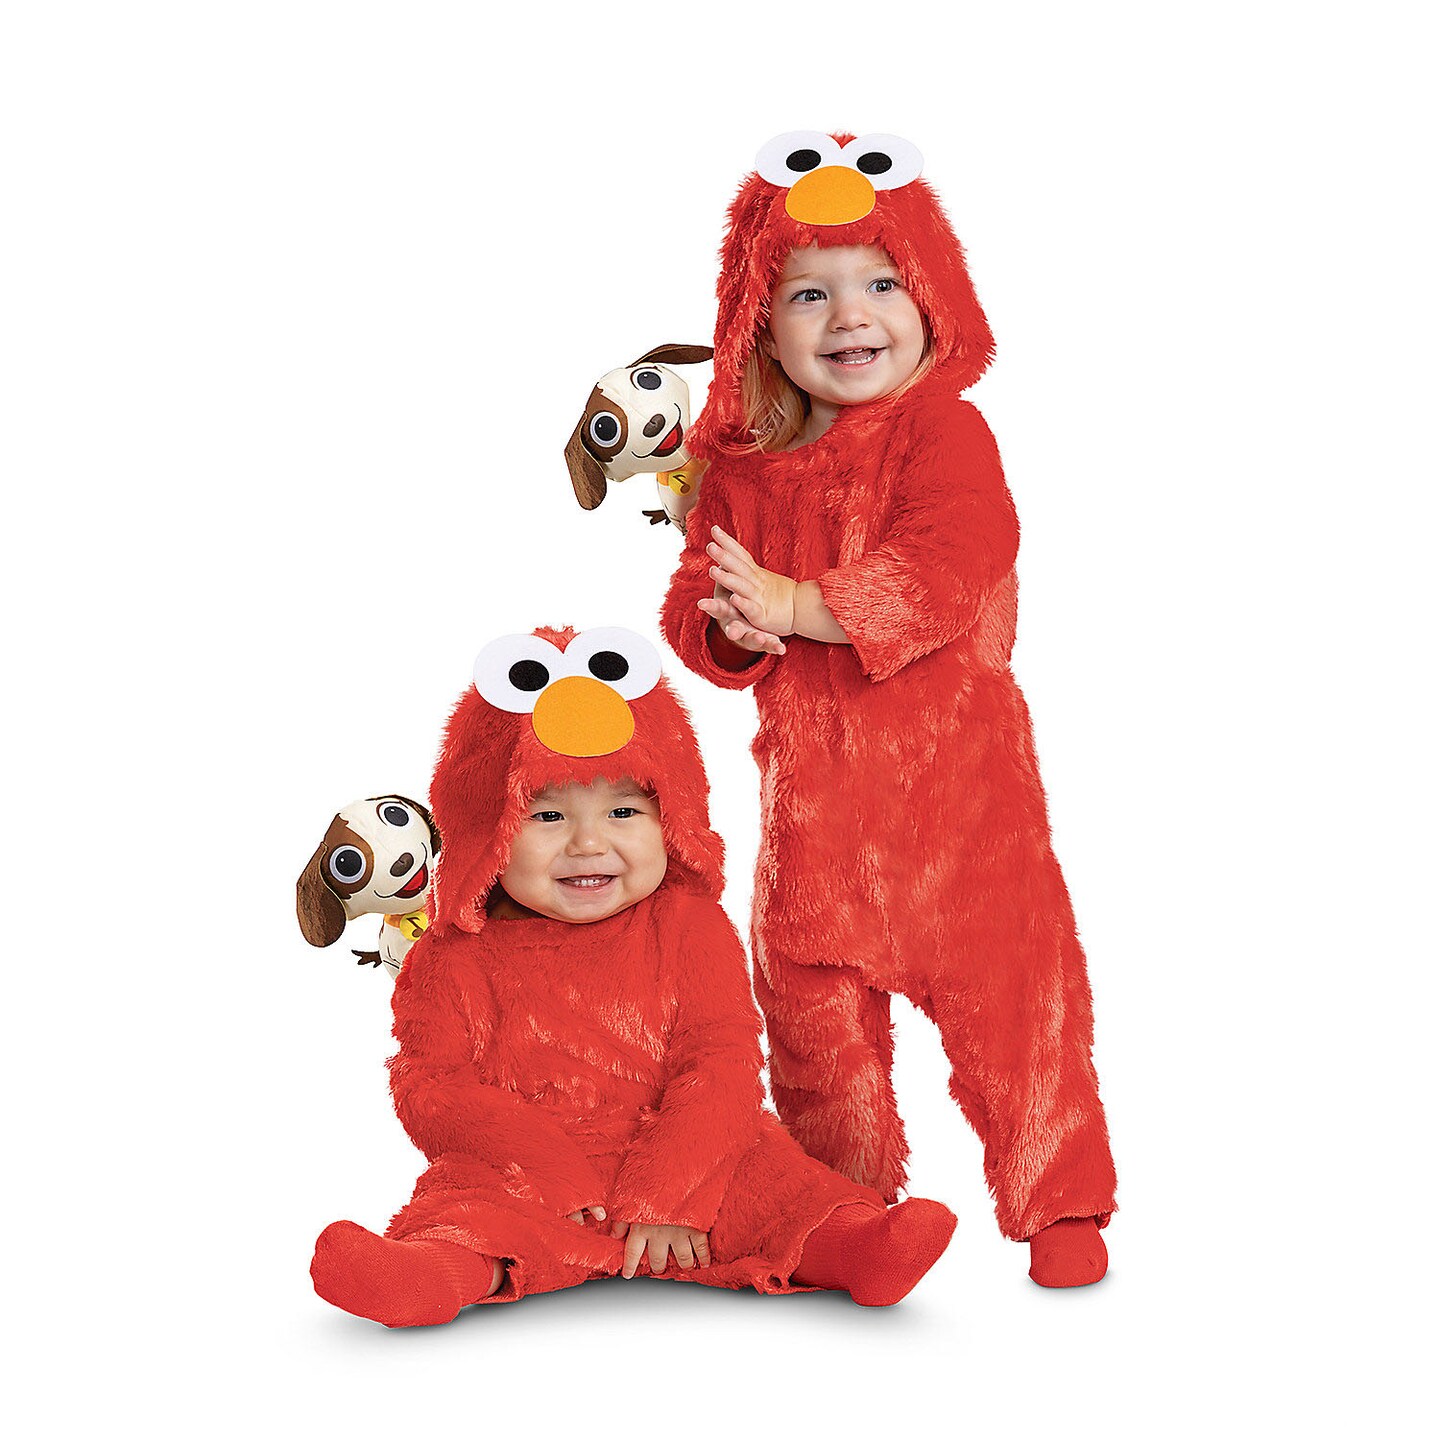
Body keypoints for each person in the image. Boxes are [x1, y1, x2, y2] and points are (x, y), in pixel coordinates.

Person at [661, 132, 1118, 1287]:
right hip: (814, 823)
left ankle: (1059, 1199)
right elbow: (695, 602)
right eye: (809, 293)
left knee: (1019, 1017)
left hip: (963, 817)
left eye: (881, 283)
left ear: (932, 301)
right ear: (760, 326)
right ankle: (842, 1213)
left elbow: (954, 564)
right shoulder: (742, 474)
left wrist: (800, 603)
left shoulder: (942, 432)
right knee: (816, 1035)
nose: (850, 315)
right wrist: (734, 627)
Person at [309, 625, 957, 1327]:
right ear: (487, 829)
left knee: (776, 1185)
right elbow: (432, 1087)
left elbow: (721, 1057)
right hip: (534, 1172)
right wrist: (546, 1171)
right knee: (472, 1210)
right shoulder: (453, 955)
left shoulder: (689, 926)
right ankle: (427, 1275)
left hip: (689, 1152)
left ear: (672, 817)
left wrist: (671, 1189)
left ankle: (855, 1247)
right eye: (547, 815)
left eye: (623, 811)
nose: (589, 843)